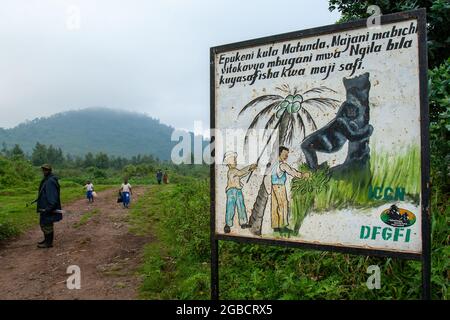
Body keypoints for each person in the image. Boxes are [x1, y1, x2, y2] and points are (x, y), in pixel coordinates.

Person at [270, 146, 310, 233]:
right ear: (279, 154)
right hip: (280, 187)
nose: (286, 156)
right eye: (284, 154)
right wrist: (302, 175)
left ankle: (276, 227)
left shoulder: (273, 164)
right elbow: (292, 171)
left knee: (275, 206)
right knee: (283, 205)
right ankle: (282, 226)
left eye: (287, 155)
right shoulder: (282, 165)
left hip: (273, 187)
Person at [223, 151, 257, 234]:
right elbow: (240, 173)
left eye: (235, 160)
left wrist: (250, 170)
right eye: (233, 160)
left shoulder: (235, 171)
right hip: (231, 191)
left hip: (238, 191)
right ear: (228, 163)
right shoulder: (232, 171)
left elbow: (241, 175)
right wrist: (249, 167)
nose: (235, 161)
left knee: (241, 206)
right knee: (230, 208)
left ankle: (243, 222)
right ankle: (228, 224)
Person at [36, 164, 62, 248]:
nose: (44, 171)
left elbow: (52, 196)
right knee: (44, 223)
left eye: (46, 170)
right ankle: (46, 240)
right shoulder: (47, 179)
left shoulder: (50, 181)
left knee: (47, 225)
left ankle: (48, 243)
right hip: (45, 207)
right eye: (43, 169)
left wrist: (49, 207)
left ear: (49, 170)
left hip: (48, 207)